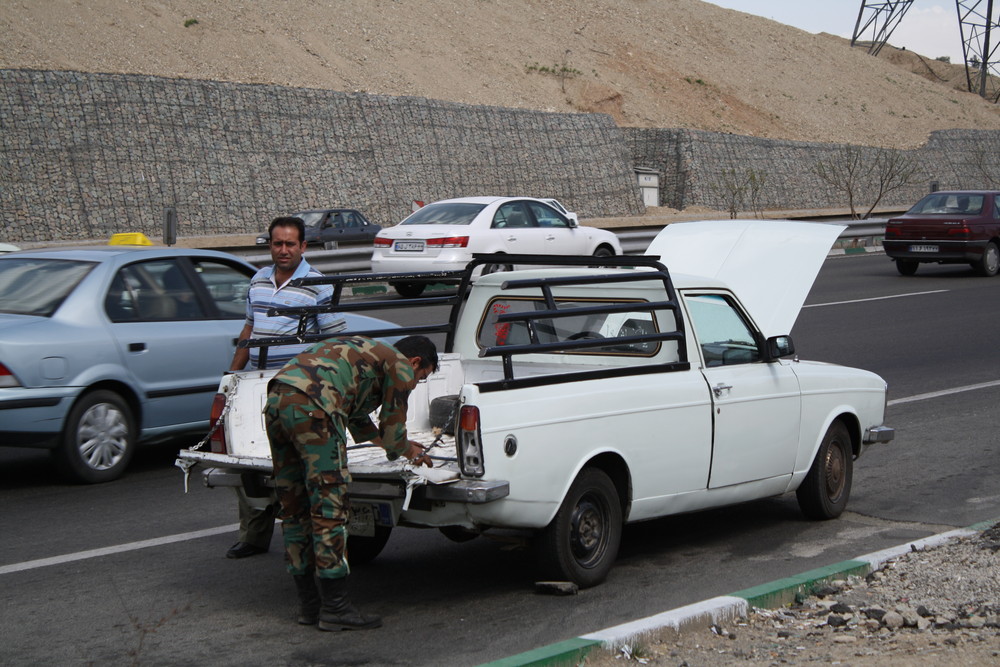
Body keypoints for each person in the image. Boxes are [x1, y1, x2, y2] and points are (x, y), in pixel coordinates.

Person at [264, 335, 438, 631]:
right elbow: (394, 429)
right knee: (330, 509)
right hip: (314, 408)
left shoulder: (367, 354)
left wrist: (395, 444)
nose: (415, 382)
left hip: (278, 400)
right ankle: (335, 607)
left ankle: (309, 606)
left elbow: (358, 419)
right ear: (416, 362)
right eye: (422, 377)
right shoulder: (401, 365)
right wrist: (408, 450)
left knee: (294, 507)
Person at [225, 216, 347, 560]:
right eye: (277, 244)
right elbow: (249, 328)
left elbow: (334, 342)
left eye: (290, 244)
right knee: (249, 457)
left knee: (296, 463)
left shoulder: (319, 286)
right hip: (255, 383)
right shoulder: (258, 279)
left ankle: (303, 538)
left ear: (303, 247)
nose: (282, 250)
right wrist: (231, 375)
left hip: (297, 388)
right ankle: (253, 536)